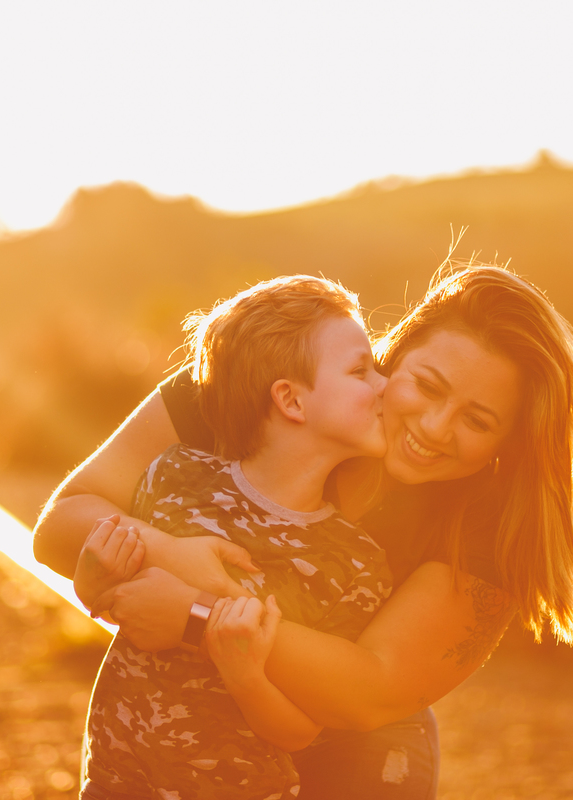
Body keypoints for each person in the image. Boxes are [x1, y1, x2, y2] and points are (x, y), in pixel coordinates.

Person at [34, 264, 573, 800]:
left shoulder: (490, 526)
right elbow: (62, 525)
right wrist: (172, 555)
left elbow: (370, 692)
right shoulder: (252, 378)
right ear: (395, 357)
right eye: (427, 386)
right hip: (168, 751)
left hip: (353, 756)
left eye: (478, 421)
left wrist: (194, 615)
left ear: (509, 443)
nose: (435, 427)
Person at [75, 275, 393, 799]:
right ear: (291, 401)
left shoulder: (352, 565)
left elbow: (300, 730)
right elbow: (115, 602)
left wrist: (245, 676)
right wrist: (94, 579)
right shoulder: (174, 480)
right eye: (361, 370)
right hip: (115, 785)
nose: (385, 385)